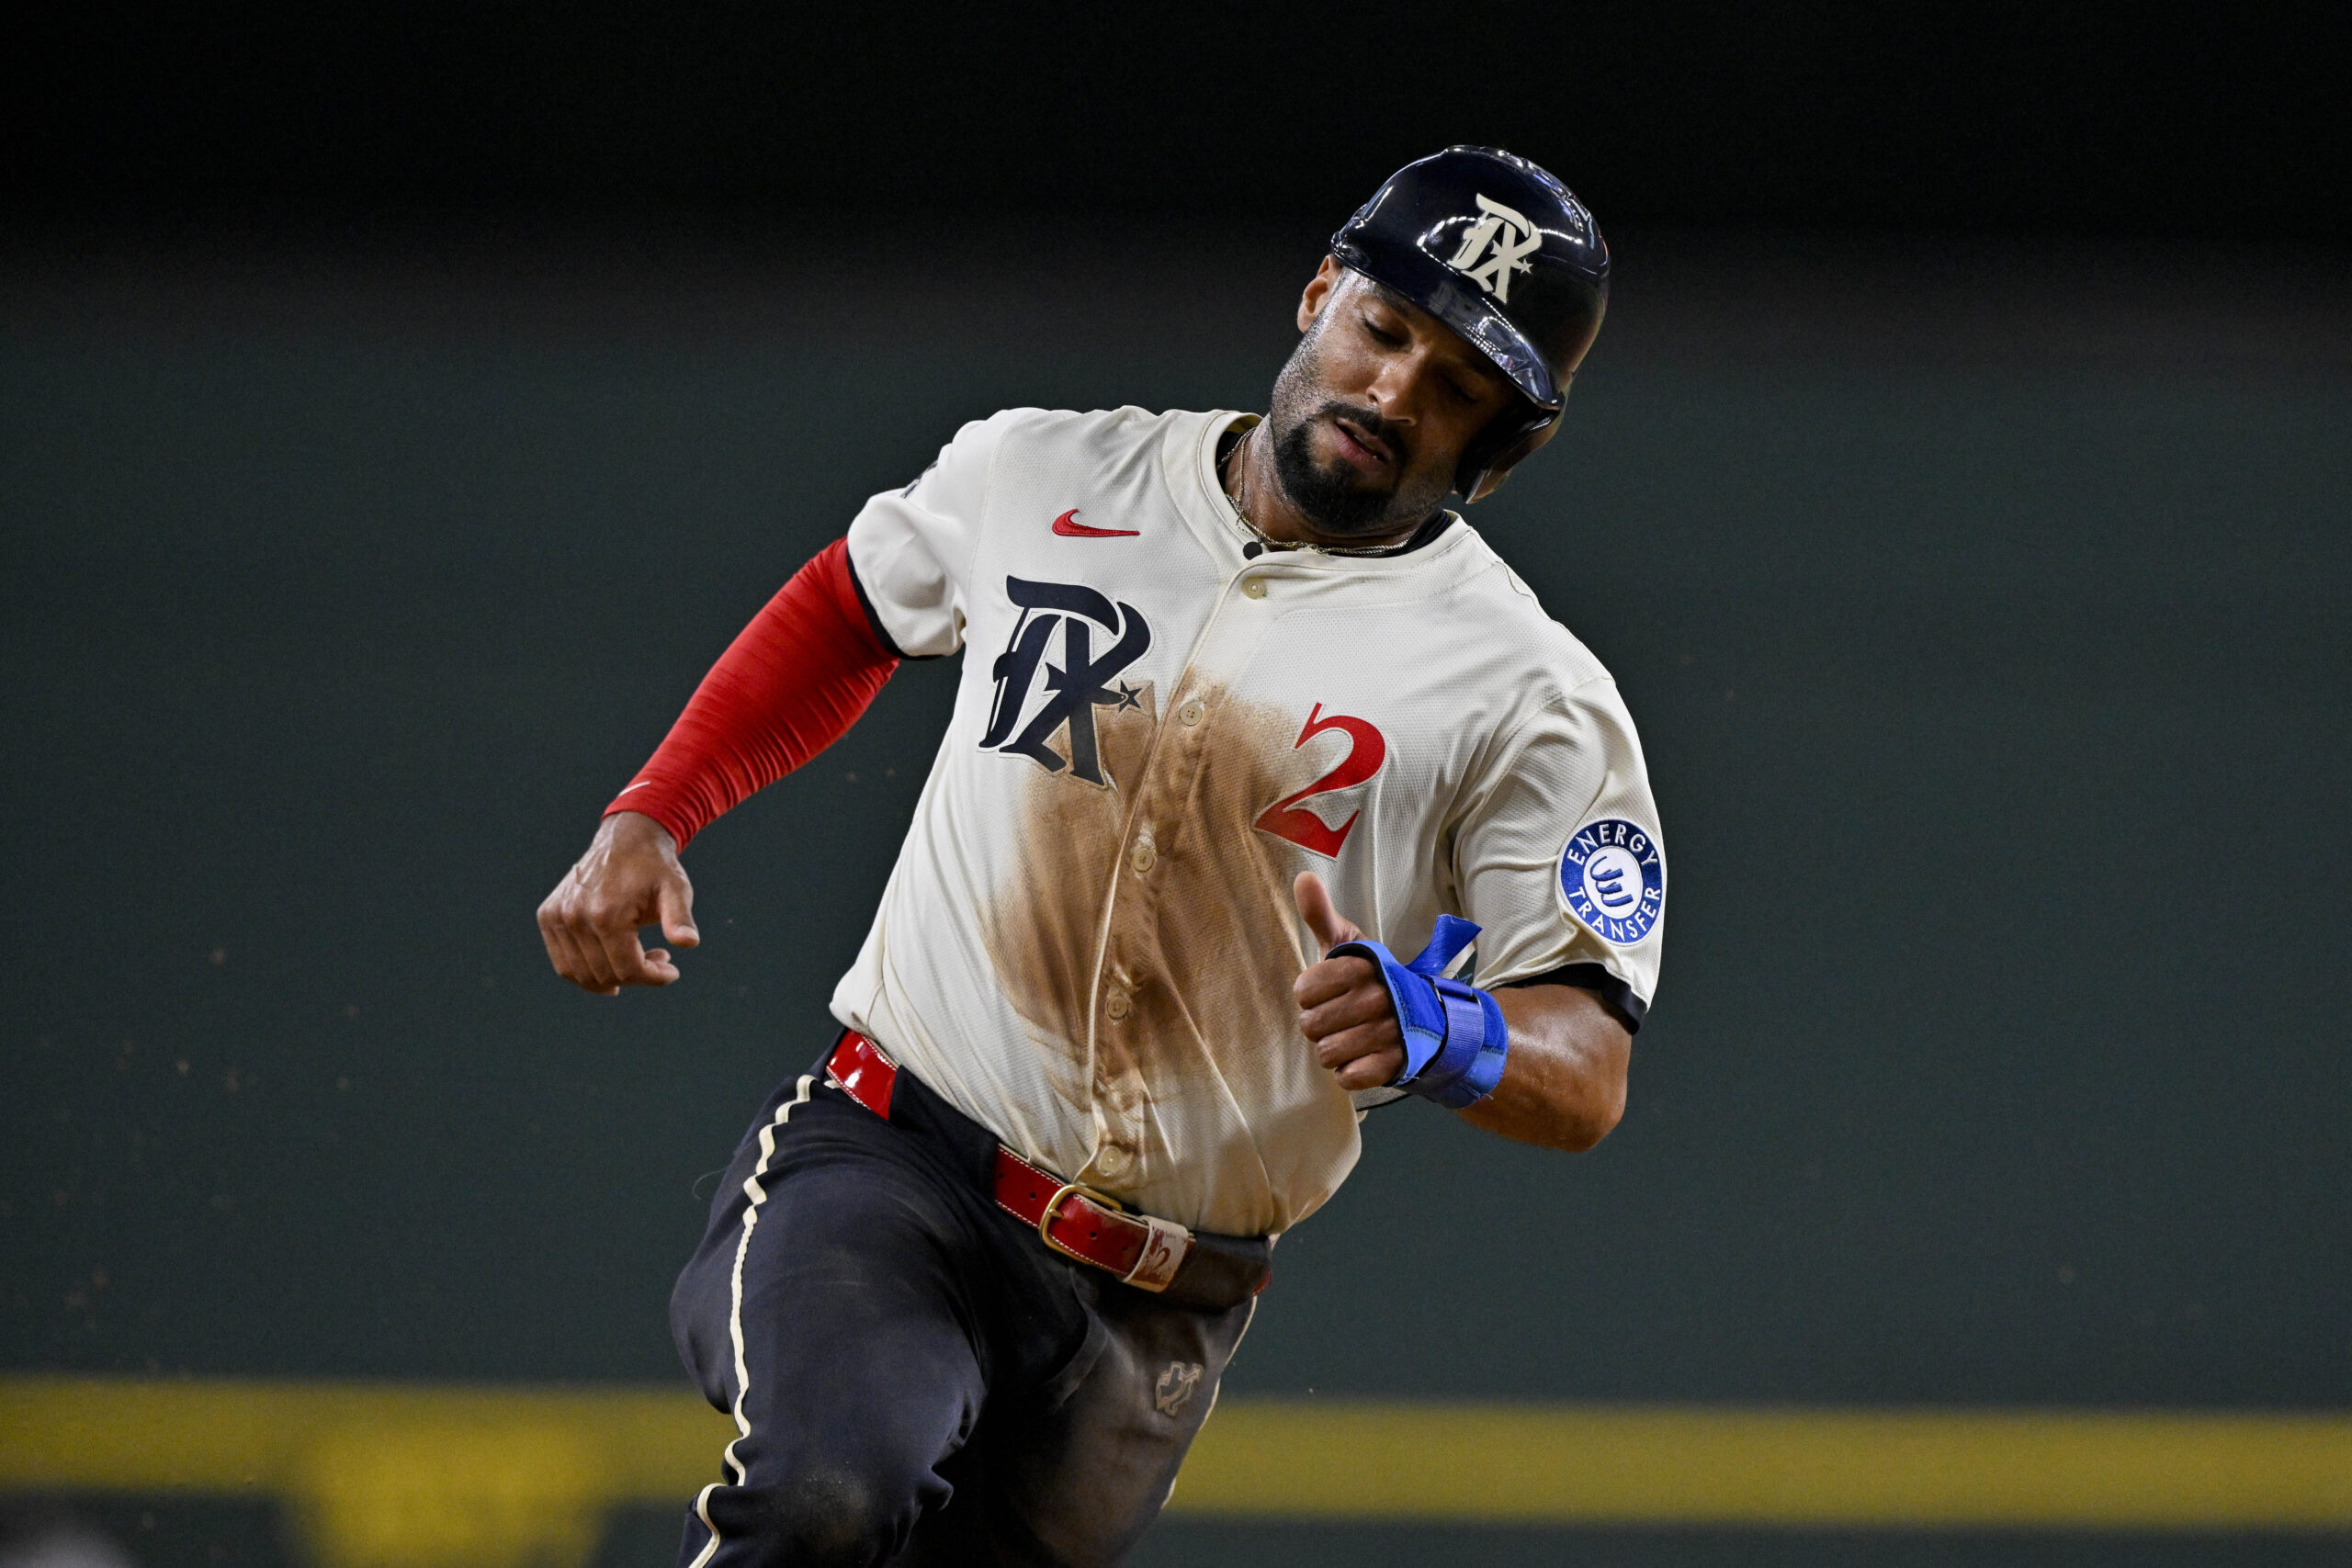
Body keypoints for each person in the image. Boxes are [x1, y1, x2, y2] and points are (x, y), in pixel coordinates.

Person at [537, 145, 1666, 1568]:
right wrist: (656, 809)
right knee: (832, 1494)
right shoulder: (1045, 471)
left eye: (1457, 384)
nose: (1393, 391)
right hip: (896, 1166)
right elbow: (849, 606)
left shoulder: (1529, 692)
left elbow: (1590, 1064)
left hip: (1157, 1309)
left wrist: (1450, 1031)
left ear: (1509, 441)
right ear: (1319, 292)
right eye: (1384, 329)